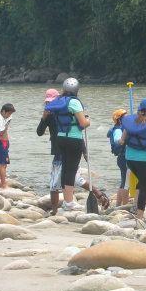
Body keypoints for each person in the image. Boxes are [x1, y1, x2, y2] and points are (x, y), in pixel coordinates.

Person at [38, 88, 100, 215]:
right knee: (59, 182)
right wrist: (43, 118)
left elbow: (77, 131)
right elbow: (39, 132)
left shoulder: (64, 111)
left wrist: (84, 150)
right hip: (60, 149)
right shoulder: (51, 115)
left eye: (50, 102)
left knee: (71, 176)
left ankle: (92, 194)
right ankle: (57, 209)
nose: (48, 105)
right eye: (47, 102)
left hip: (65, 146)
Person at [44, 78, 91, 211]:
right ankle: (69, 202)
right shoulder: (74, 102)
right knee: (71, 170)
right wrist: (89, 121)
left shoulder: (58, 101)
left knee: (65, 169)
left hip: (60, 138)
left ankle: (67, 201)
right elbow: (82, 123)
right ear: (76, 90)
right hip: (73, 139)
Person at [107, 108, 130, 206]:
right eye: (125, 117)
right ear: (119, 120)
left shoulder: (121, 127)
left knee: (123, 181)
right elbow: (117, 139)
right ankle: (124, 205)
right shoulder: (117, 130)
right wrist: (123, 139)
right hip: (123, 158)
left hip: (122, 158)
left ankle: (118, 204)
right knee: (126, 183)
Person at [0, 103, 15, 189]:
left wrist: (8, 120)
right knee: (3, 164)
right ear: (3, 111)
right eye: (9, 113)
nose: (10, 115)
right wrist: (7, 125)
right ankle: (3, 184)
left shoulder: (2, 117)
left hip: (3, 142)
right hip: (2, 142)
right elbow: (1, 132)